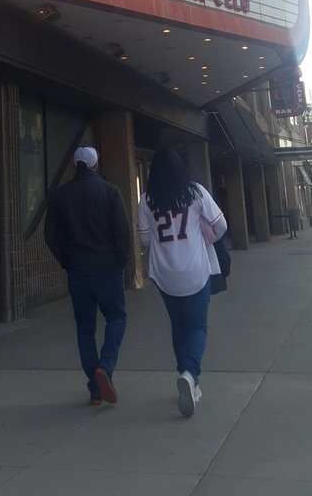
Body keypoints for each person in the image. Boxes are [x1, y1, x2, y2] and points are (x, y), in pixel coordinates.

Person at [137, 147, 227, 418]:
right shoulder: (196, 192)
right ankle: (191, 374)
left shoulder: (146, 200)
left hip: (165, 275)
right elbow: (220, 225)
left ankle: (187, 377)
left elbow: (143, 240)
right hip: (195, 270)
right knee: (197, 325)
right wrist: (204, 238)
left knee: (178, 326)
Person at [44, 145, 131, 406]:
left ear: (76, 166)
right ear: (95, 165)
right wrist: (121, 261)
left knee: (85, 329)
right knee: (117, 317)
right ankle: (105, 366)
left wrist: (66, 261)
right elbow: (122, 232)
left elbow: (50, 236)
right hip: (107, 269)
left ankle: (95, 389)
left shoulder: (60, 196)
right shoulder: (110, 191)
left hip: (78, 272)